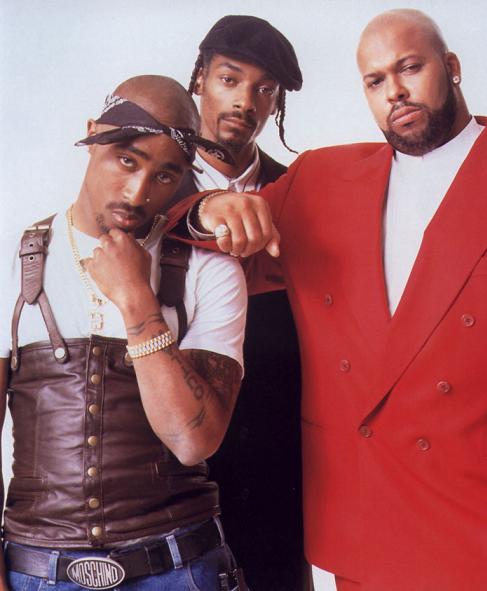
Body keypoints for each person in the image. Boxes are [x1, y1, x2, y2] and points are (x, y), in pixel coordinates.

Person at [177, 9, 487, 591]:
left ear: (451, 67)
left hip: (471, 524)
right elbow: (197, 234)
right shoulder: (321, 179)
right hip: (359, 526)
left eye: (410, 68)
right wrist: (208, 206)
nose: (394, 91)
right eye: (375, 80)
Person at [0, 75, 250, 590]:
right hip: (38, 571)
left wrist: (137, 301)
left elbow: (193, 440)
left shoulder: (210, 270)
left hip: (180, 567)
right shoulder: (12, 261)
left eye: (166, 175)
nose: (139, 193)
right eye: (127, 160)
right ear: (93, 134)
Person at [171, 15, 310, 591]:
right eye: (230, 79)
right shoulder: (151, 185)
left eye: (264, 89)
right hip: (171, 470)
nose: (246, 101)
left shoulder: (298, 191)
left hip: (280, 473)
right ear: (200, 77)